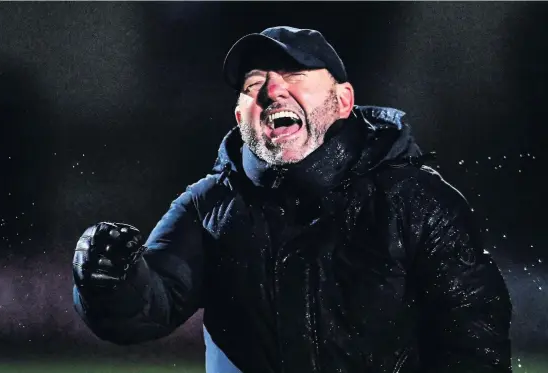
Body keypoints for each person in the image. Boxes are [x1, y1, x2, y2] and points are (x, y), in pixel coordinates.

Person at [72, 26, 513, 373]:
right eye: (252, 84)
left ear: (343, 101)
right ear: (239, 116)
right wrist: (109, 281)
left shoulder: (419, 201)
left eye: (294, 75)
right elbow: (148, 310)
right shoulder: (206, 208)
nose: (271, 90)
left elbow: (472, 338)